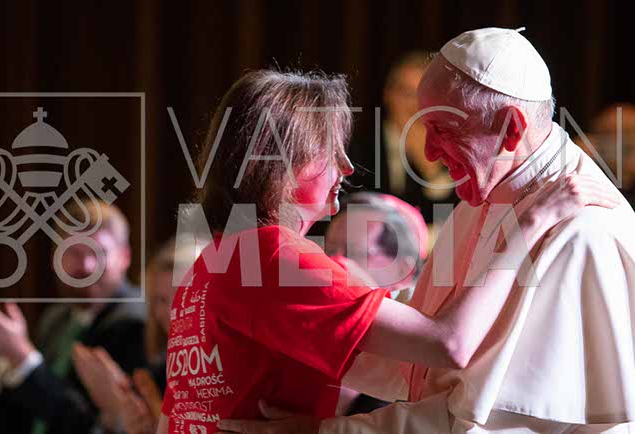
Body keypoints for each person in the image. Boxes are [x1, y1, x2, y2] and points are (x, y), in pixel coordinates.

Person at [218, 28, 635, 434]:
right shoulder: (492, 188)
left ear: (511, 128)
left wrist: (323, 432)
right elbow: (422, 354)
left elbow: (494, 419)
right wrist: (320, 316)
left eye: (443, 130)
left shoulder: (580, 229)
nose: (429, 152)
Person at [0, 198, 147, 434]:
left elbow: (85, 425)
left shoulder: (136, 322)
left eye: (99, 252)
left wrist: (21, 356)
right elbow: (25, 413)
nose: (87, 266)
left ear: (125, 257)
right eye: (74, 252)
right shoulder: (56, 318)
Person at [73, 237, 204, 434]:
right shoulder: (159, 370)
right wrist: (117, 414)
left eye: (182, 296)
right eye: (161, 300)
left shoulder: (230, 367)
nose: (171, 311)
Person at [325, 192, 429, 416]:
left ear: (403, 270)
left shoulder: (425, 376)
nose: (334, 263)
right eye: (329, 251)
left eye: (353, 252)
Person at [377, 52, 458, 226]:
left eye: (423, 95)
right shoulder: (357, 149)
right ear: (388, 94)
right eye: (406, 94)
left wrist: (430, 170)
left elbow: (450, 223)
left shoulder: (452, 153)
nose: (414, 106)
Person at [577, 103, 635, 205]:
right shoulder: (589, 179)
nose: (617, 142)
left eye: (627, 132)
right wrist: (577, 162)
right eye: (607, 133)